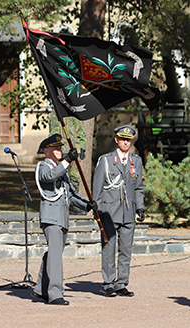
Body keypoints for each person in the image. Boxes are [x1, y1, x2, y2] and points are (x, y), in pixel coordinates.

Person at [32, 133, 97, 305]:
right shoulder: (43, 166)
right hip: (51, 218)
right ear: (47, 151)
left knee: (53, 255)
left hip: (62, 218)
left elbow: (71, 195)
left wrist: (86, 205)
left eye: (60, 148)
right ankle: (55, 294)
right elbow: (49, 177)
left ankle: (40, 289)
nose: (59, 150)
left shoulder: (63, 171)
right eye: (55, 148)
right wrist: (67, 160)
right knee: (55, 257)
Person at [92, 125, 145, 298]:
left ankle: (121, 283)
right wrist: (98, 211)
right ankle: (108, 283)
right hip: (109, 211)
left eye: (128, 140)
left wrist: (140, 207)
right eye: (122, 139)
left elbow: (138, 187)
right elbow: (97, 189)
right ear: (116, 140)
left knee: (126, 249)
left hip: (128, 212)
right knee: (109, 248)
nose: (125, 142)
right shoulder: (106, 160)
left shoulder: (136, 161)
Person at [49, 110, 86, 194]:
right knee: (58, 179)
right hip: (59, 152)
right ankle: (60, 200)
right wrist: (54, 149)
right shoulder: (55, 114)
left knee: (75, 178)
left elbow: (81, 131)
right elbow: (52, 133)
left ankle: (73, 201)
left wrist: (83, 147)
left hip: (74, 151)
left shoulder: (74, 113)